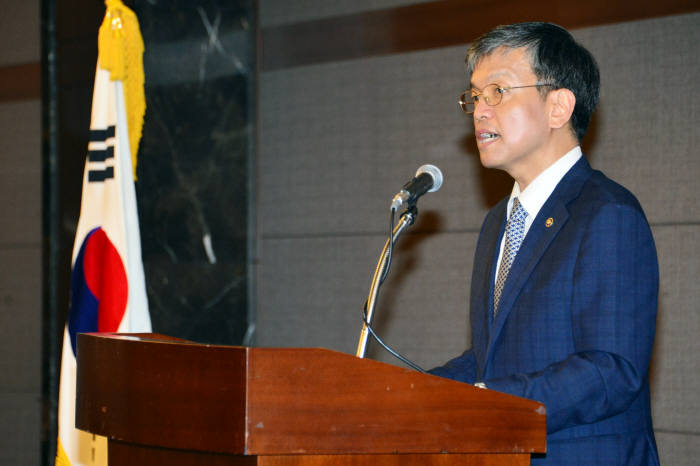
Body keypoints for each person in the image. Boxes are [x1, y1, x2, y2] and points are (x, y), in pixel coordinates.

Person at [428, 22, 659, 465]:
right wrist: (412, 392)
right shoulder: (499, 221)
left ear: (559, 107)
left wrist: (483, 400)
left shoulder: (607, 213)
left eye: (497, 92)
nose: (479, 110)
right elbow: (491, 359)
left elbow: (611, 370)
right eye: (474, 96)